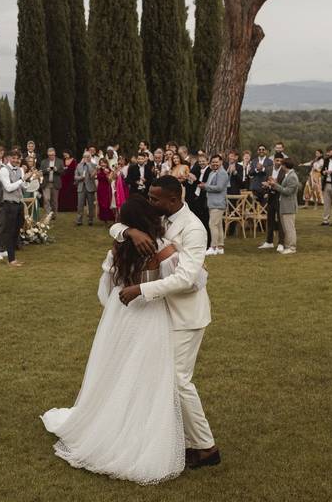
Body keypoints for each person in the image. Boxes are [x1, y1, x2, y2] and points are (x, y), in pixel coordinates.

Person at [41, 194, 204, 484]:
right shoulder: (164, 251)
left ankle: (110, 426)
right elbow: (195, 281)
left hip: (119, 317)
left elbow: (104, 293)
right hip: (151, 316)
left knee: (115, 372)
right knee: (149, 377)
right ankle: (142, 433)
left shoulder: (117, 250)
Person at [108, 177, 219, 470]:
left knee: (179, 381)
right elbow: (117, 223)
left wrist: (140, 290)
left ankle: (207, 448)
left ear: (172, 200)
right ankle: (181, 441)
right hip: (160, 316)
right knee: (163, 379)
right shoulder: (159, 216)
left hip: (186, 316)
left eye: (155, 199)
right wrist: (130, 230)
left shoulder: (194, 228)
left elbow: (186, 278)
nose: (150, 202)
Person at [0, 149, 31, 266]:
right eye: (14, 158)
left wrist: (32, 180)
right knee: (10, 231)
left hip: (19, 204)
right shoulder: (3, 170)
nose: (16, 160)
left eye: (18, 158)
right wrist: (23, 179)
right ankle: (11, 260)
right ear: (9, 158)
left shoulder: (20, 169)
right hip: (9, 204)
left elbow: (23, 187)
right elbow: (9, 188)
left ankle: (11, 255)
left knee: (17, 230)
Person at [268, 157, 299, 254]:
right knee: (286, 227)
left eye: (282, 164)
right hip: (284, 205)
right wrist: (275, 183)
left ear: (285, 166)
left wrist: (275, 185)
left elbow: (288, 191)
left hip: (289, 206)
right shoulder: (288, 175)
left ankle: (292, 247)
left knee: (290, 228)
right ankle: (287, 245)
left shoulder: (292, 176)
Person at [202, 154, 230, 256]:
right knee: (218, 225)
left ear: (221, 162)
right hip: (212, 202)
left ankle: (213, 247)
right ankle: (220, 247)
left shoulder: (222, 173)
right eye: (213, 162)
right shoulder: (211, 173)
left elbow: (219, 187)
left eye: (216, 162)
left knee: (212, 224)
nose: (214, 164)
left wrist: (205, 187)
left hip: (218, 203)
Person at [258, 153, 287, 251]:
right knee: (270, 219)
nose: (278, 162)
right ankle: (269, 241)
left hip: (280, 197)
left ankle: (281, 243)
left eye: (280, 161)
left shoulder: (284, 171)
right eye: (277, 160)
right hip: (270, 196)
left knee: (280, 220)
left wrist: (275, 184)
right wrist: (265, 186)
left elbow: (284, 185)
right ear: (274, 160)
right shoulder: (268, 169)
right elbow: (265, 181)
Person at [40, 148, 64, 218]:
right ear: (48, 155)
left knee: (54, 201)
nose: (51, 156)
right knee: (46, 199)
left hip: (55, 183)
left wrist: (57, 170)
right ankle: (48, 215)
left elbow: (63, 172)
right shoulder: (43, 162)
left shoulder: (60, 161)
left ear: (55, 154)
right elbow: (40, 172)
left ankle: (53, 215)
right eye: (50, 155)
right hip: (46, 183)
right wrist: (46, 170)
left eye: (52, 155)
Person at [75, 152, 98, 226]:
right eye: (85, 157)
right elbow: (75, 176)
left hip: (90, 187)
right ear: (83, 157)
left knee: (91, 205)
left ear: (90, 157)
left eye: (88, 157)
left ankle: (90, 220)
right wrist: (81, 177)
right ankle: (79, 220)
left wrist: (88, 164)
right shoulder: (79, 165)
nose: (86, 158)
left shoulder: (93, 165)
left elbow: (92, 175)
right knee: (80, 204)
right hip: (81, 187)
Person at [96, 157, 116, 224]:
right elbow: (92, 176)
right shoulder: (99, 170)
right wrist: (96, 170)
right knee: (101, 203)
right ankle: (104, 218)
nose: (102, 164)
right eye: (101, 163)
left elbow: (110, 181)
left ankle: (110, 218)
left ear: (106, 163)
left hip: (107, 188)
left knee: (107, 203)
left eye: (104, 163)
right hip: (100, 188)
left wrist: (107, 174)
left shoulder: (110, 170)